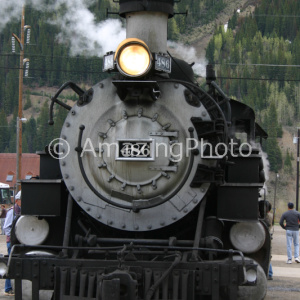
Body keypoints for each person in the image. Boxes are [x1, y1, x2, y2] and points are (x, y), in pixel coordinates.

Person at [3, 190, 22, 296]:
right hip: (12, 242)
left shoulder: (21, 210)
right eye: (22, 200)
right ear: (17, 201)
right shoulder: (12, 211)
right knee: (10, 265)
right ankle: (8, 288)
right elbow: (6, 227)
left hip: (19, 242)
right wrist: (14, 237)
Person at [264, 201, 273, 280]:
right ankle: (270, 273)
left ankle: (270, 273)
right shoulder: (271, 215)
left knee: (267, 254)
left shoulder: (267, 216)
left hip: (266, 234)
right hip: (268, 233)